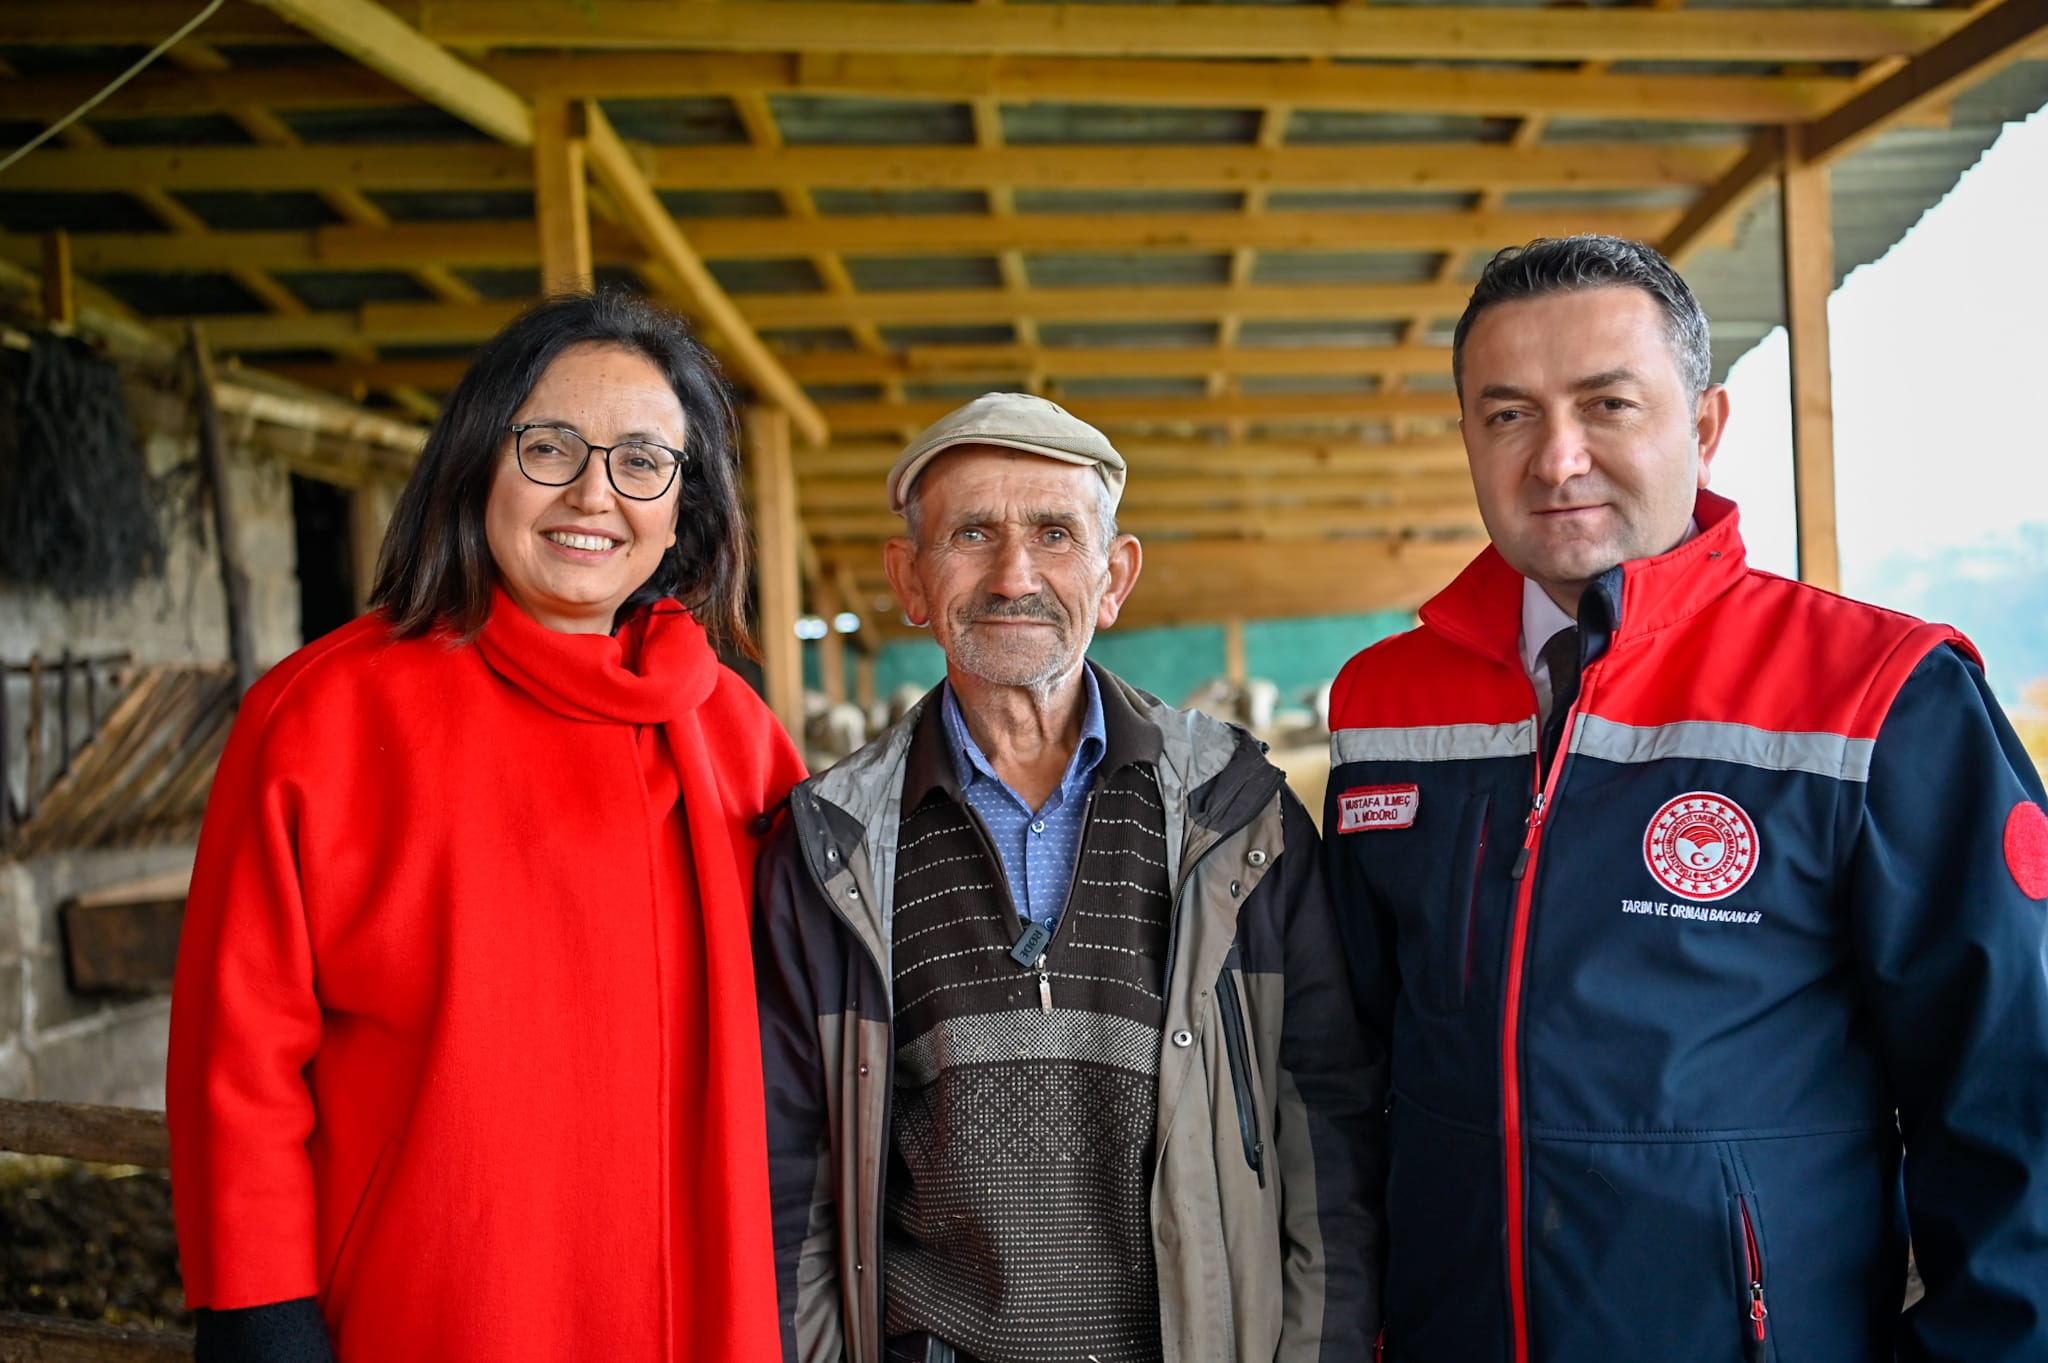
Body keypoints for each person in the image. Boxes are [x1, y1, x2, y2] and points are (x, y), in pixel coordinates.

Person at [1324, 235, 2048, 1362]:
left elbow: (2012, 1095)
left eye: (1606, 404)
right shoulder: (1382, 702)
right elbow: (1350, 1063)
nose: (1556, 459)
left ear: (1703, 427)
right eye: (1506, 414)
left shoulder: (1878, 694)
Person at [167, 292, 806, 1363]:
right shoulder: (323, 715)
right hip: (437, 1305)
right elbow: (238, 1053)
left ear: (683, 503)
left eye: (643, 460)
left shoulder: (733, 731)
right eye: (550, 446)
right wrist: (257, 1312)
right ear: (477, 460)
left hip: (698, 1301)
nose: (593, 494)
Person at [753, 392, 1386, 1363]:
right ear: (909, 581)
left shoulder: (1237, 816)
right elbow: (786, 1175)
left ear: (1112, 576)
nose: (1014, 574)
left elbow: (1324, 1132)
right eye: (971, 533)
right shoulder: (830, 846)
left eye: (1054, 533)